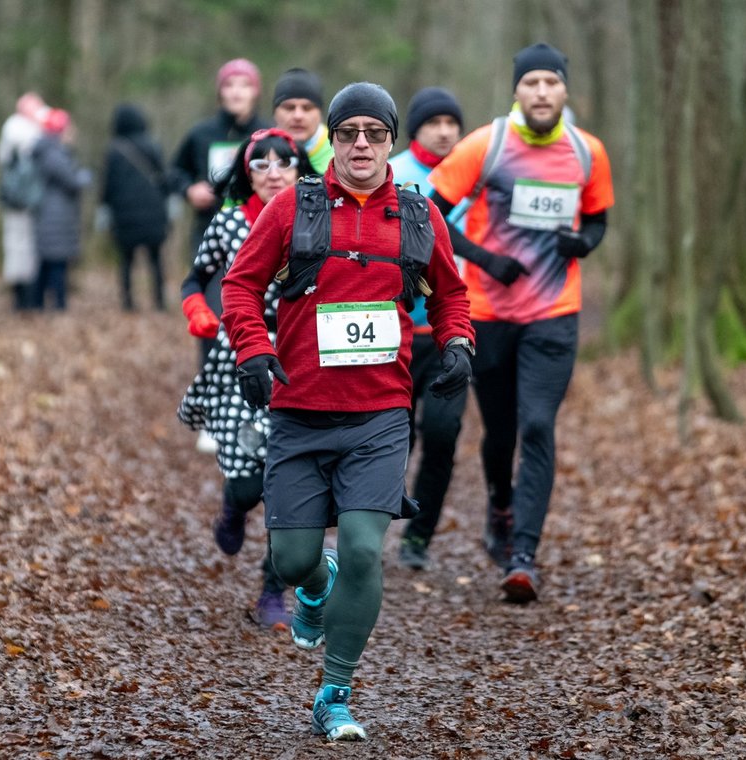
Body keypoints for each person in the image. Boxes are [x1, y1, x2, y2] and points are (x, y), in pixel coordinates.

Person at [221, 82, 474, 741]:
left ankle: (335, 693)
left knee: (365, 550)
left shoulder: (419, 216)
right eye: (349, 131)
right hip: (300, 410)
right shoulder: (292, 210)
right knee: (296, 558)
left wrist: (456, 345)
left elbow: (452, 295)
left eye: (376, 133)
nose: (362, 143)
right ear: (331, 139)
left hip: (380, 413)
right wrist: (253, 351)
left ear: (392, 141)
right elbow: (240, 285)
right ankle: (314, 583)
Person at [428, 43, 615, 603]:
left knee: (537, 427)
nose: (540, 92)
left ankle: (523, 556)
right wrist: (484, 260)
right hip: (488, 313)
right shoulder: (488, 145)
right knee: (501, 431)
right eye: (530, 82)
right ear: (516, 90)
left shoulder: (587, 153)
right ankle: (499, 503)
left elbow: (599, 220)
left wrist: (582, 242)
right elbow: (429, 208)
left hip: (554, 315)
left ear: (564, 90)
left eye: (550, 83)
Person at [178, 129, 314, 630]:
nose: (274, 172)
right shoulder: (229, 222)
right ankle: (233, 509)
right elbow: (196, 276)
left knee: (290, 485)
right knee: (249, 483)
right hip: (240, 357)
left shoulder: (317, 221)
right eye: (261, 164)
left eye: (284, 162)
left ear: (301, 170)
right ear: (246, 173)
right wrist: (196, 307)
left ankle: (272, 591)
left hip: (301, 360)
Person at [171, 57, 270, 453]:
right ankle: (213, 414)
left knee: (263, 324)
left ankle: (258, 410)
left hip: (260, 238)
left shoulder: (265, 137)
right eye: (229, 86)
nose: (235, 93)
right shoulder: (200, 134)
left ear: (255, 91)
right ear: (220, 92)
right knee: (213, 320)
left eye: (243, 86)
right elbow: (173, 172)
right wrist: (188, 189)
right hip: (211, 238)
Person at [388, 87, 467, 570]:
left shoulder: (474, 176)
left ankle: (419, 537)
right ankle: (375, 523)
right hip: (392, 333)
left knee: (443, 433)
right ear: (415, 127)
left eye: (451, 122)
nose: (444, 130)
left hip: (448, 333)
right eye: (433, 121)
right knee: (396, 438)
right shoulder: (391, 172)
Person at [100, 103, 170, 312]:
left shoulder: (113, 150)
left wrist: (104, 210)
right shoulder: (153, 146)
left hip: (124, 216)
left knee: (126, 261)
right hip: (153, 214)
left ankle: (128, 303)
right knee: (156, 259)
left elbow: (108, 186)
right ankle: (159, 302)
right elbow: (164, 180)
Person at [31, 109, 91, 311]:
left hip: (53, 215)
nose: (73, 133)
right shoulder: (53, 154)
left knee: (48, 264)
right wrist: (84, 177)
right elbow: (72, 181)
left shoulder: (50, 152)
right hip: (54, 217)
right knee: (56, 264)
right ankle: (57, 306)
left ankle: (40, 305)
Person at [0, 92, 47, 311]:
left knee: (20, 247)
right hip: (22, 201)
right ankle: (24, 299)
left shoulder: (16, 132)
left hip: (21, 201)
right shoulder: (23, 131)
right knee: (22, 248)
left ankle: (24, 299)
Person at [271, 67, 333, 174]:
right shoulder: (258, 153)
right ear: (274, 113)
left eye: (307, 108)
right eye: (289, 107)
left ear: (321, 114)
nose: (298, 116)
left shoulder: (339, 152)